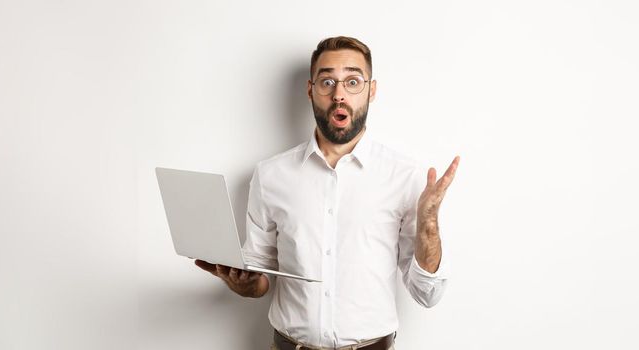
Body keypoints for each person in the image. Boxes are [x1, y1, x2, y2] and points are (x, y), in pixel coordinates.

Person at [195, 36, 460, 350]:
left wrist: (429, 222)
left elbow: (427, 294)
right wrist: (243, 282)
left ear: (371, 91)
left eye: (352, 81)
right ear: (311, 90)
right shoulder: (270, 176)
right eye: (327, 82)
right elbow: (260, 278)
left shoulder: (404, 176)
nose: (339, 95)